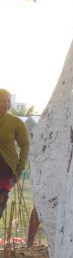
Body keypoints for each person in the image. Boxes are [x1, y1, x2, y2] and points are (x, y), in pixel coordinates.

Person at [0, 89, 29, 219]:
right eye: (2, 101)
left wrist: (20, 168)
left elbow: (25, 145)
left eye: (8, 101)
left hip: (5, 170)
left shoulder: (16, 122)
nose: (6, 104)